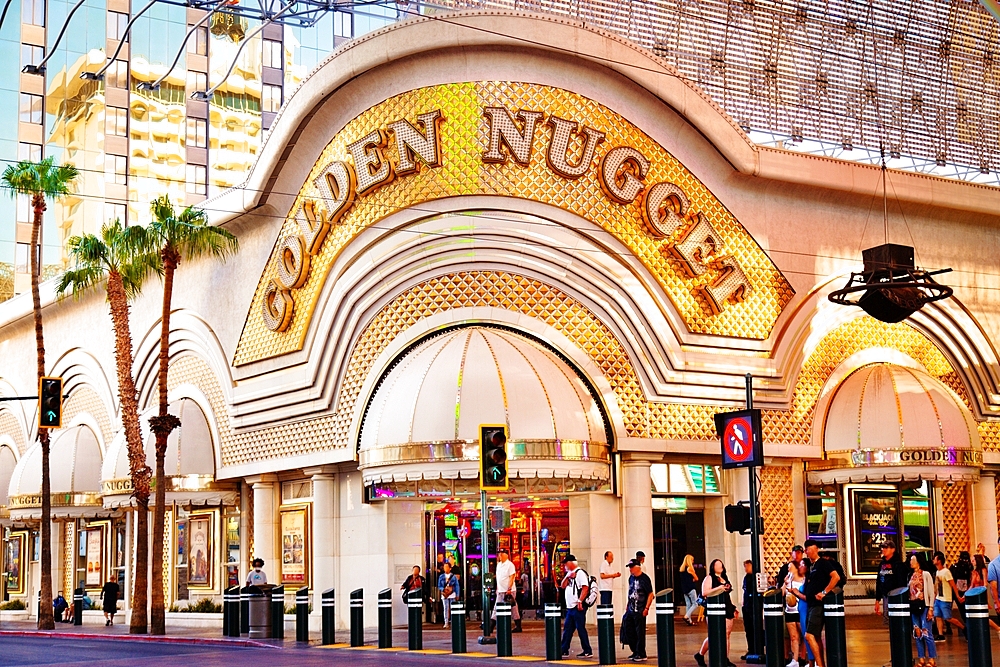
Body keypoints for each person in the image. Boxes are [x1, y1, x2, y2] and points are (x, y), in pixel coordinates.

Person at [803, 539, 840, 667]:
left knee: (809, 635)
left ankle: (820, 664)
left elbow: (836, 577)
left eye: (813, 550)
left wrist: (824, 592)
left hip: (818, 606)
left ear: (817, 550)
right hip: (811, 605)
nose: (810, 553)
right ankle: (821, 663)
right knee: (816, 637)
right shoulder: (811, 567)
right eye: (808, 550)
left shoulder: (823, 563)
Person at [693, 559, 737, 667]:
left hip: (726, 606)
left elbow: (727, 595)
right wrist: (719, 588)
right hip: (714, 608)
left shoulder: (724, 577)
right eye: (717, 565)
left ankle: (725, 658)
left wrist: (733, 607)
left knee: (727, 634)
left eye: (721, 564)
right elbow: (704, 593)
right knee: (714, 634)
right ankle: (700, 654)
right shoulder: (709, 578)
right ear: (713, 567)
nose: (720, 566)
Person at [560, 554, 593, 658]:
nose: (564, 565)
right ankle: (564, 649)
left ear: (571, 563)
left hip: (578, 606)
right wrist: (568, 576)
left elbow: (585, 588)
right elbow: (563, 585)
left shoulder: (580, 573)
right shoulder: (569, 573)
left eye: (566, 563)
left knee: (580, 628)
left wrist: (580, 601)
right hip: (570, 607)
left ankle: (587, 650)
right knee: (567, 629)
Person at [622, 559, 653, 662]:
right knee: (629, 629)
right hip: (631, 609)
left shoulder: (645, 579)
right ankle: (635, 650)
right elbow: (630, 592)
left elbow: (650, 594)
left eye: (632, 567)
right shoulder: (630, 578)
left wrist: (647, 608)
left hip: (640, 609)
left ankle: (641, 653)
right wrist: (627, 606)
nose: (630, 569)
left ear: (637, 567)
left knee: (640, 632)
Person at [909, 552, 936, 667]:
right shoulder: (911, 575)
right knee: (917, 632)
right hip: (914, 606)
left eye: (913, 560)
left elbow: (930, 591)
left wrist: (930, 608)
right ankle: (921, 658)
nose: (911, 562)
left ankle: (932, 658)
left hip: (924, 606)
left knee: (926, 632)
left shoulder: (925, 574)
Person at [783, 561, 811, 667]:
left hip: (799, 610)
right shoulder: (788, 580)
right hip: (789, 611)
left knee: (805, 635)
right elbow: (782, 593)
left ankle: (808, 658)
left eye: (790, 567)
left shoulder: (803, 580)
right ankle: (795, 660)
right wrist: (785, 584)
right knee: (793, 637)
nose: (788, 569)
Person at [931, 551, 964, 640]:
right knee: (938, 616)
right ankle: (940, 634)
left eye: (935, 558)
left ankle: (964, 628)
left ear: (939, 560)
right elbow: (936, 586)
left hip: (946, 598)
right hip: (938, 598)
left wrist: (957, 596)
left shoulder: (946, 572)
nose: (933, 560)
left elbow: (953, 584)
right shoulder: (937, 572)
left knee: (948, 618)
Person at [874, 540, 906, 625]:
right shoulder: (882, 564)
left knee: (895, 620)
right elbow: (879, 581)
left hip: (895, 596)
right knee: (886, 620)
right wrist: (877, 600)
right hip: (885, 596)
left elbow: (901, 583)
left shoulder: (898, 564)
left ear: (893, 549)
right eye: (883, 548)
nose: (883, 550)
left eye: (886, 548)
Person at [970, 555, 1000, 635]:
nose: (972, 562)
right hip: (974, 596)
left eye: (973, 560)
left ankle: (997, 628)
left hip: (981, 596)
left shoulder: (983, 570)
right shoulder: (974, 572)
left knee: (984, 616)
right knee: (978, 616)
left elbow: (986, 584)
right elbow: (971, 585)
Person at [493, 549, 521, 631]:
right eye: (499, 554)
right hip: (500, 590)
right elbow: (498, 578)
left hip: (509, 591)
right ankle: (491, 624)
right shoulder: (499, 565)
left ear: (506, 555)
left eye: (501, 554)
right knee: (498, 607)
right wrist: (497, 588)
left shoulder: (510, 565)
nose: (500, 556)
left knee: (513, 608)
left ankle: (518, 625)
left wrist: (509, 588)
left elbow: (512, 577)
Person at [952, 551, 972, 630]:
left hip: (959, 590)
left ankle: (966, 626)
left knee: (962, 610)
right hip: (961, 589)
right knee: (963, 610)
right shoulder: (967, 567)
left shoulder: (956, 566)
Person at [679, 554, 700, 625]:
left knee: (688, 604)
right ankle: (687, 616)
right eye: (692, 560)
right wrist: (693, 577)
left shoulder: (682, 569)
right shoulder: (690, 569)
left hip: (684, 589)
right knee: (695, 604)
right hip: (691, 588)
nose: (693, 562)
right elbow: (696, 578)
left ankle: (689, 621)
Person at [438, 562, 460, 628]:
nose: (445, 568)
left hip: (452, 594)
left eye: (447, 567)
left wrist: (457, 594)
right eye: (444, 567)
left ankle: (453, 622)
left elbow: (457, 586)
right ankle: (446, 622)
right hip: (445, 594)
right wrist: (443, 589)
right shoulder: (441, 576)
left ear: (450, 568)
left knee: (452, 608)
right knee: (445, 608)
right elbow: (439, 585)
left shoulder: (453, 577)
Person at [740, 560, 754, 660]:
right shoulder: (746, 578)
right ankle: (751, 648)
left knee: (753, 628)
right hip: (746, 606)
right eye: (745, 567)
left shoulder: (754, 578)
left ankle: (755, 648)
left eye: (747, 566)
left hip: (752, 607)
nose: (746, 569)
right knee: (748, 629)